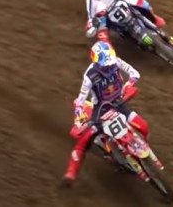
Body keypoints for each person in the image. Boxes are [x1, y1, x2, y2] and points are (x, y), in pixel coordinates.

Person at [62, 41, 162, 186]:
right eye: (105, 65)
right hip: (101, 109)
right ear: (96, 61)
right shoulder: (89, 76)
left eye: (110, 64)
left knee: (144, 126)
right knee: (84, 141)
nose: (109, 67)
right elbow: (80, 100)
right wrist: (78, 121)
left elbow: (134, 73)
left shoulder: (116, 61)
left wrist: (128, 84)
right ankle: (71, 174)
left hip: (118, 102)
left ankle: (143, 148)